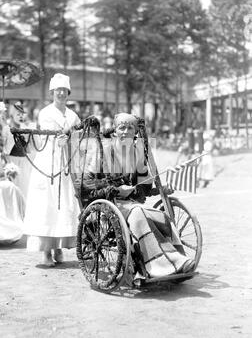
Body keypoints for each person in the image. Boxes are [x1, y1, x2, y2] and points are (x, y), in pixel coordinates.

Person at [74, 113, 195, 285]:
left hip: (130, 203)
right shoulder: (104, 151)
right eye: (121, 128)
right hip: (110, 203)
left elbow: (143, 187)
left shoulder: (137, 153)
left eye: (130, 128)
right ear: (115, 131)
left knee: (159, 215)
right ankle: (157, 266)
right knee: (138, 213)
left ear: (135, 132)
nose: (125, 132)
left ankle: (177, 260)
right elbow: (85, 183)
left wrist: (158, 190)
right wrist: (114, 190)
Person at [24, 73, 81, 267]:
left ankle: (59, 246)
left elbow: (79, 137)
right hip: (48, 162)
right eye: (58, 90)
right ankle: (46, 252)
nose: (61, 93)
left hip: (66, 163)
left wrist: (71, 139)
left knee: (64, 204)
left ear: (68, 93)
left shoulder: (73, 115)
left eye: (64, 90)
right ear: (52, 92)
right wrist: (61, 140)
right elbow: (47, 138)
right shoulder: (45, 113)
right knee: (47, 204)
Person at [6, 101, 34, 201]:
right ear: (12, 115)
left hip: (24, 164)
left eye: (22, 114)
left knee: (24, 190)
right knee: (12, 190)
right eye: (18, 114)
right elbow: (4, 150)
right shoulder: (6, 129)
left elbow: (30, 149)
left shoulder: (26, 129)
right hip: (11, 162)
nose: (20, 116)